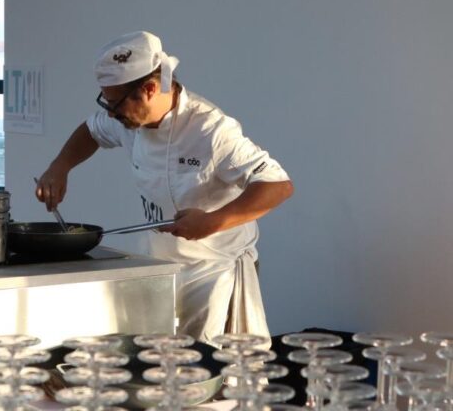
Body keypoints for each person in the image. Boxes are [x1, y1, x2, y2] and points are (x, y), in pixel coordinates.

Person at [36, 31, 293, 344]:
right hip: (158, 265)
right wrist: (59, 167)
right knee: (157, 360)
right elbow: (91, 130)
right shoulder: (126, 121)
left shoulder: (211, 129)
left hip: (213, 270)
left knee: (208, 366)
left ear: (149, 89)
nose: (110, 113)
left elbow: (277, 185)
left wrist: (213, 221)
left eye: (115, 103)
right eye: (106, 102)